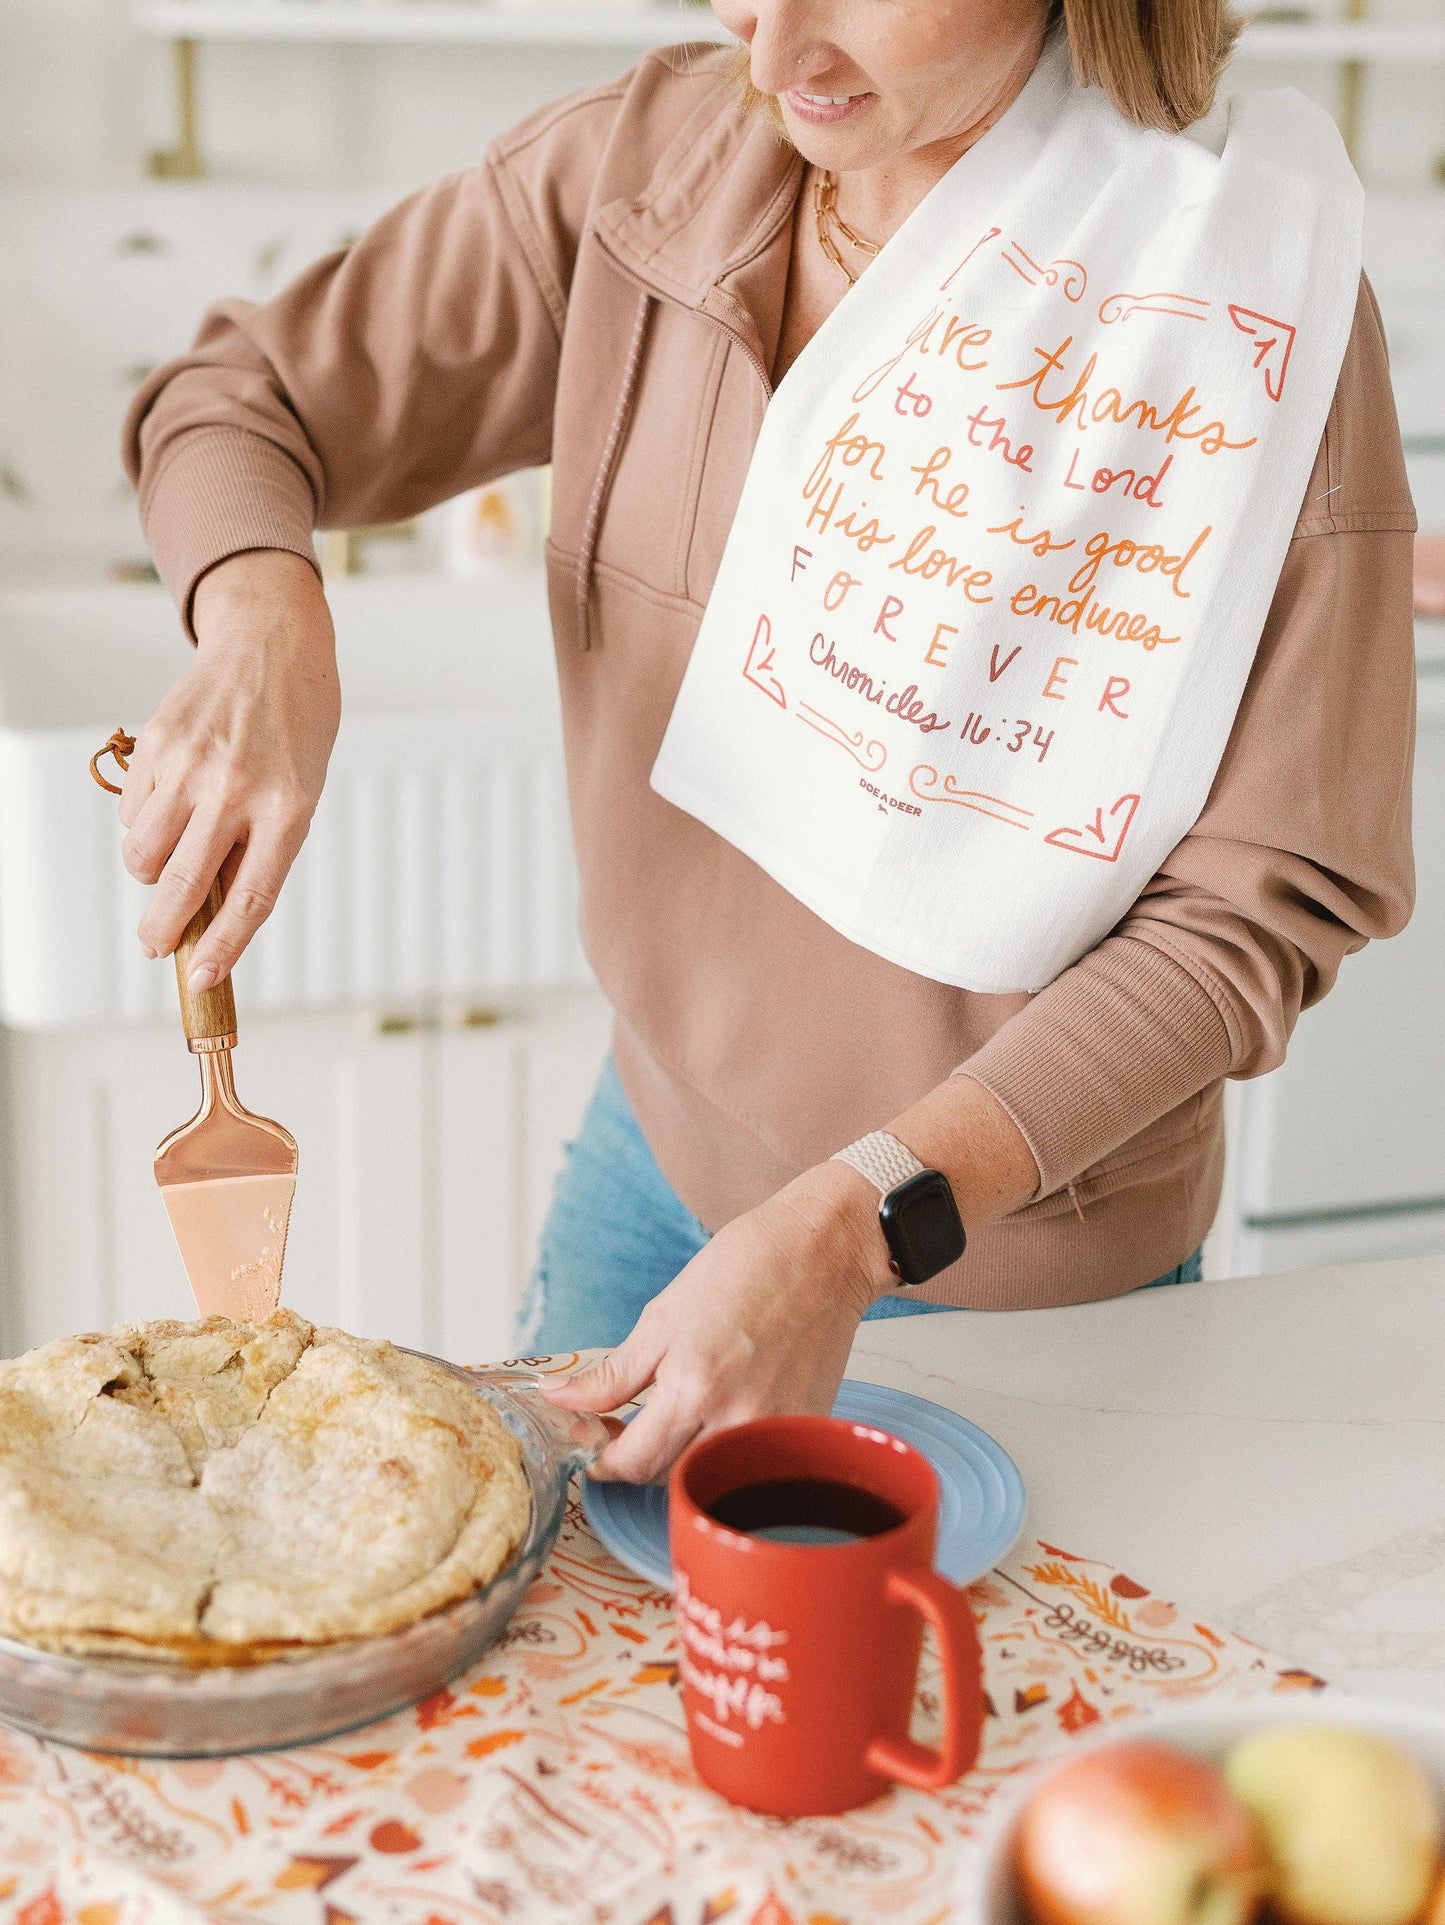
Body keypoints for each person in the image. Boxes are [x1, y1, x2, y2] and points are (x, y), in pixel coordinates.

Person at [118, 0, 1416, 1484]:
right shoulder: (652, 174)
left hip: (1016, 1280)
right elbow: (240, 399)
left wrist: (856, 1216)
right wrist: (267, 623)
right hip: (651, 1160)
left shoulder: (1251, 313)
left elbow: (1258, 911)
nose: (774, 41)